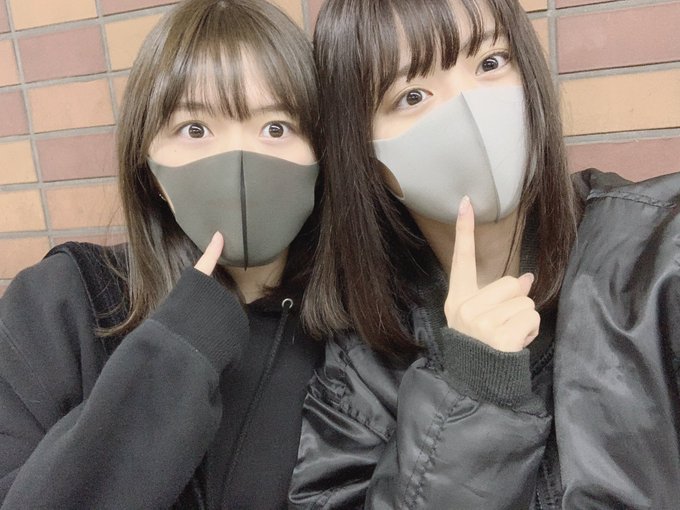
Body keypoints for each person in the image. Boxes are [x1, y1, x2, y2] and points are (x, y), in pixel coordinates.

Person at [288, 0, 680, 508]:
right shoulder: (362, 366)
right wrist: (470, 391)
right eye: (412, 95)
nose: (469, 108)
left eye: (491, 62)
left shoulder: (659, 254)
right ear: (362, 150)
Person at [0, 0, 325, 507]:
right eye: (195, 129)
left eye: (276, 127)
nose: (239, 163)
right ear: (151, 171)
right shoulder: (57, 303)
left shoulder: (352, 338)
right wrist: (182, 343)